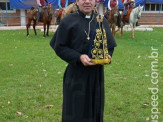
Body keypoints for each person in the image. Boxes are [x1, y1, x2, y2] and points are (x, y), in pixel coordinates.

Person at [50, 0, 116, 121]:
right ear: (77, 1)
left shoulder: (101, 20)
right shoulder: (68, 21)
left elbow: (109, 46)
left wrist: (108, 56)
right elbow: (59, 47)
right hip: (76, 76)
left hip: (96, 76)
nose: (87, 2)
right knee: (76, 112)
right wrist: (78, 57)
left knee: (95, 109)